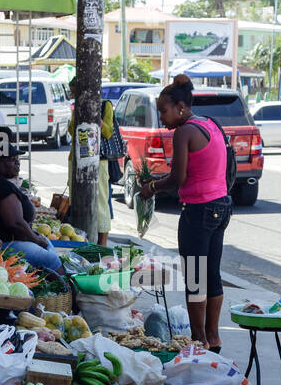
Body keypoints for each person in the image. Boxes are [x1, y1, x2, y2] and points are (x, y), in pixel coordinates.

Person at [138, 73, 231, 351]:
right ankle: (213, 338)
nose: (162, 118)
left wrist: (151, 188)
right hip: (222, 205)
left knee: (195, 277)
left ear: (180, 107)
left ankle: (198, 340)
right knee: (212, 274)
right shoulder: (209, 124)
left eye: (163, 111)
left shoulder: (184, 131)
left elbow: (177, 178)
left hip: (198, 210)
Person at [0, 143, 62, 273]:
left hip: (4, 242)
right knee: (51, 260)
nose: (17, 163)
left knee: (46, 244)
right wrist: (37, 241)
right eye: (12, 160)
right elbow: (16, 224)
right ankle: (65, 289)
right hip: (1, 246)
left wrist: (38, 239)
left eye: (17, 159)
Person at [68, 77, 115, 247]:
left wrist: (96, 119)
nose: (72, 95)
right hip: (76, 159)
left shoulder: (105, 106)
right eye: (72, 93)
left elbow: (108, 132)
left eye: (74, 92)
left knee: (101, 201)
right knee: (75, 200)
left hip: (99, 161)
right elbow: (72, 130)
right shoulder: (77, 106)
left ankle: (102, 244)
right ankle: (80, 239)